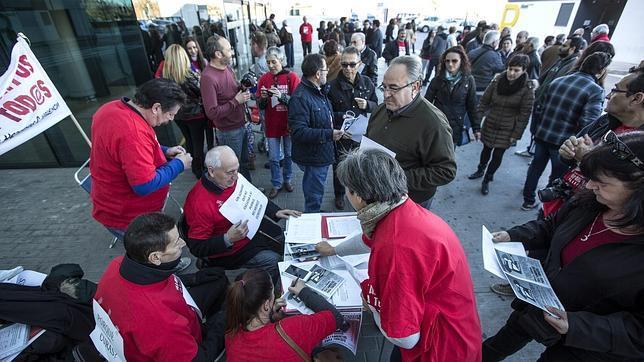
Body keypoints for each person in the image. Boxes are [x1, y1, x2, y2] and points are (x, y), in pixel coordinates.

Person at [483, 131, 644, 361]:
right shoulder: (591, 202)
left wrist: (575, 325)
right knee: (496, 346)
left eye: (602, 183)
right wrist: (513, 235)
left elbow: (638, 331)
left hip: (588, 349)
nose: (589, 185)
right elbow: (551, 226)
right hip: (537, 305)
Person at [315, 149, 482, 361]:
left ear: (358, 195)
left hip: (437, 348)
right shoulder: (401, 210)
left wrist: (372, 305)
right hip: (452, 326)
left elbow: (404, 337)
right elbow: (368, 239)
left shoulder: (394, 248)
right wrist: (334, 249)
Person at [94, 212, 228, 361]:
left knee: (218, 280)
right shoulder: (161, 322)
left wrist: (193, 278)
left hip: (171, 318)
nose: (183, 243)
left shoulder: (117, 265)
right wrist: (222, 322)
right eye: (176, 242)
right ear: (155, 257)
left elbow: (157, 282)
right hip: (178, 342)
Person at [90, 78, 192, 241]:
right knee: (151, 253)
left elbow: (124, 151)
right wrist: (180, 164)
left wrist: (165, 151)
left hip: (112, 205)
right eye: (171, 114)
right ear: (156, 108)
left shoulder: (109, 108)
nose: (171, 120)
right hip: (130, 216)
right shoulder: (133, 133)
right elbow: (145, 185)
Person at [183, 146, 301, 285]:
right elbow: (197, 247)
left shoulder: (231, 178)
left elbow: (253, 195)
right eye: (230, 172)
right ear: (211, 171)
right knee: (273, 261)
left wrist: (275, 211)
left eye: (237, 169)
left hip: (251, 226)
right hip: (232, 249)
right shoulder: (200, 203)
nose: (236, 175)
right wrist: (227, 238)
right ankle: (262, 294)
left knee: (284, 238)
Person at [521, 52, 610, 210]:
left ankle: (528, 200)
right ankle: (546, 206)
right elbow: (589, 125)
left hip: (543, 134)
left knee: (535, 168)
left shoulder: (559, 81)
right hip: (565, 143)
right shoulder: (594, 90)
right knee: (557, 177)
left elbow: (540, 107)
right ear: (601, 70)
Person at [367, 56, 456, 209]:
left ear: (415, 86)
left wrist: (397, 178)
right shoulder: (381, 110)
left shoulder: (434, 123)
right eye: (384, 87)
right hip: (377, 195)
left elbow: (446, 171)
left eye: (394, 88)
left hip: (410, 203)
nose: (386, 94)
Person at [224, 269, 347, 361]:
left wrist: (270, 317)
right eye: (273, 293)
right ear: (266, 305)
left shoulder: (230, 335)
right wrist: (304, 292)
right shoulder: (293, 328)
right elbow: (336, 317)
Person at [468, 54, 536, 195]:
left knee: (498, 155)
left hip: (508, 128)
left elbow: (525, 114)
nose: (511, 73)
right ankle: (481, 169)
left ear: (523, 70)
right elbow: (484, 102)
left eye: (516, 70)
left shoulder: (527, 88)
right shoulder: (498, 80)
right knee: (486, 150)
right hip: (491, 122)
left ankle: (487, 178)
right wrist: (476, 123)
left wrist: (516, 134)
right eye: (510, 69)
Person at [288, 53, 343, 212]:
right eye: (326, 70)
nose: (328, 73)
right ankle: (312, 217)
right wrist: (329, 134)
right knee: (314, 195)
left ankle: (315, 212)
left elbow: (323, 116)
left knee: (316, 192)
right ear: (318, 74)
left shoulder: (317, 90)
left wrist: (341, 116)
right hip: (313, 157)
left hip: (320, 153)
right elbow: (298, 132)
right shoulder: (300, 97)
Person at [328, 46, 378, 209]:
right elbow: (328, 114)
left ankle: (359, 194)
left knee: (360, 167)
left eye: (352, 64)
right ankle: (339, 195)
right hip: (342, 137)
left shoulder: (367, 83)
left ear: (360, 64)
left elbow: (377, 106)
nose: (348, 68)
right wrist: (340, 123)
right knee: (340, 168)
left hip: (361, 136)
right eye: (344, 64)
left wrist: (367, 104)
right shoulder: (332, 86)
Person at [201, 34, 252, 181]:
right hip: (229, 131)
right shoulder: (208, 77)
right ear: (218, 54)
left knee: (243, 163)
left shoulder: (227, 68)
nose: (232, 52)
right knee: (233, 170)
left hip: (241, 124)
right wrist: (236, 101)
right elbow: (211, 112)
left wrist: (241, 87)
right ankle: (237, 198)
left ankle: (248, 191)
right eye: (229, 50)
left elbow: (231, 88)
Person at [159, 45, 211, 179]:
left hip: (178, 116)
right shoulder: (188, 74)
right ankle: (198, 170)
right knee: (198, 143)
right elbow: (202, 90)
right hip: (195, 115)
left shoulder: (164, 75)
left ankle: (192, 163)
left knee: (189, 141)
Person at [256, 47, 301, 198]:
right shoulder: (264, 78)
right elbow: (260, 106)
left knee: (288, 155)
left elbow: (298, 103)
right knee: (274, 158)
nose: (270, 65)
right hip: (272, 124)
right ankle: (276, 183)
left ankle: (287, 179)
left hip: (288, 124)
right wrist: (262, 98)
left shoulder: (292, 77)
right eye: (268, 62)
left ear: (281, 60)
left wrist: (281, 96)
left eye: (273, 62)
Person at [425, 46, 481, 147]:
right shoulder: (437, 80)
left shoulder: (468, 80)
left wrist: (476, 128)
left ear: (461, 61)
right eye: (447, 61)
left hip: (455, 126)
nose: (450, 64)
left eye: (454, 61)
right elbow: (426, 103)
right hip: (437, 124)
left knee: (447, 156)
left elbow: (472, 105)